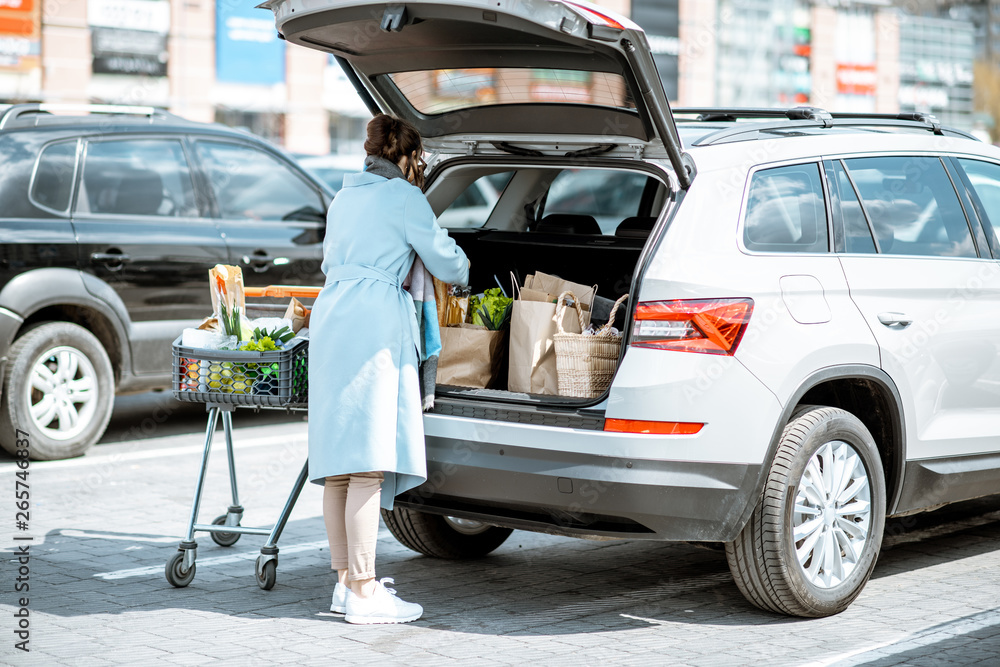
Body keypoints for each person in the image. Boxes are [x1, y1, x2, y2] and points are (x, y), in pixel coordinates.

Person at [307, 114, 469, 624]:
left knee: (339, 463)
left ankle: (342, 586)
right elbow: (447, 262)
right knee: (369, 463)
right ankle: (364, 590)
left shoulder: (343, 196)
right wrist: (465, 263)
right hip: (373, 322)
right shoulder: (404, 198)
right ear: (405, 157)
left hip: (331, 316)